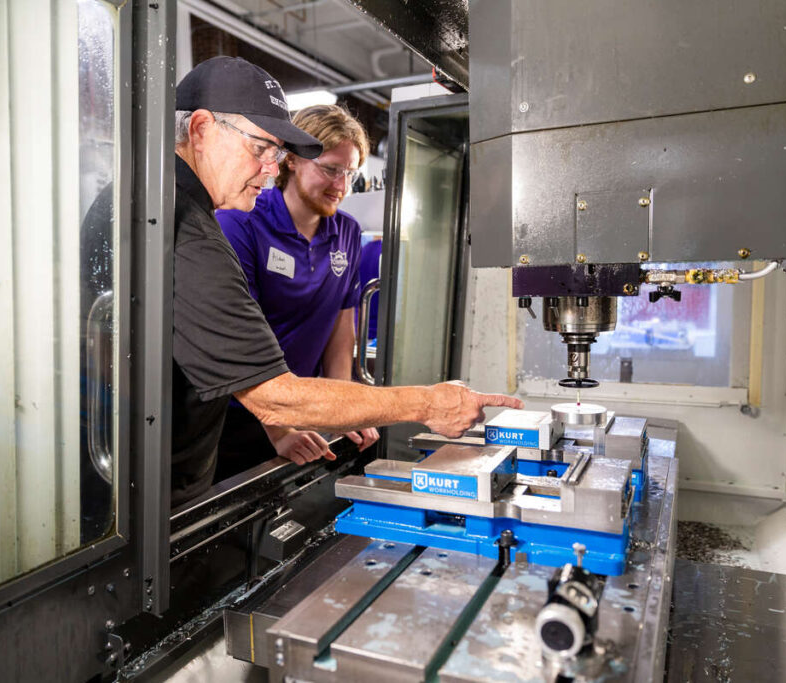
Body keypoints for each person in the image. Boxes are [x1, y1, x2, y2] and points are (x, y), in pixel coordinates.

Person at [171, 56, 522, 506]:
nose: (270, 169)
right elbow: (274, 397)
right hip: (188, 459)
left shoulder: (175, 205)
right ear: (200, 129)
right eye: (262, 149)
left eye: (276, 154)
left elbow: (340, 328)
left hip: (191, 450)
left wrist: (341, 405)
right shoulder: (199, 230)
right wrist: (427, 405)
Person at [214, 105, 378, 480]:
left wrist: (341, 409)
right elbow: (237, 337)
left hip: (300, 411)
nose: (341, 185)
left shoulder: (347, 233)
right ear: (291, 160)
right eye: (331, 169)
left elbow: (340, 329)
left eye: (349, 173)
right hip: (235, 414)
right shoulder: (241, 221)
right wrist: (278, 428)